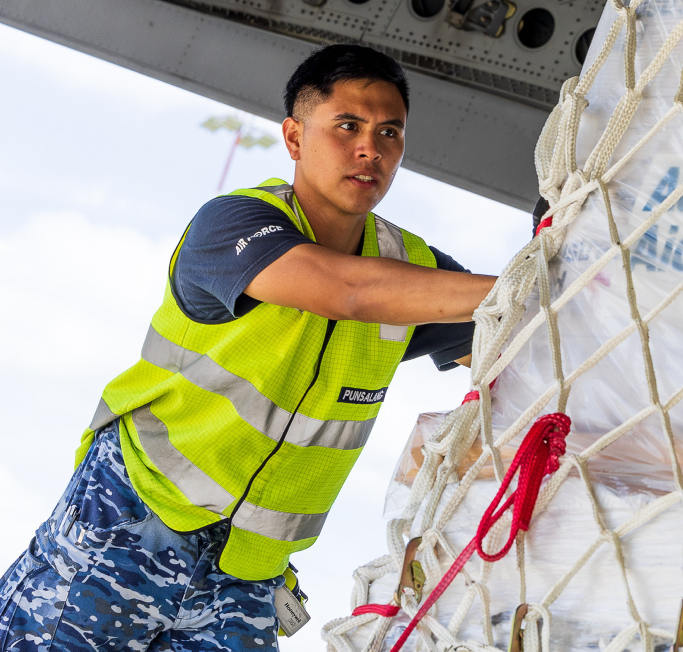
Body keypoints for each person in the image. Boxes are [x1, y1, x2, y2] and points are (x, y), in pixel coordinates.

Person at [0, 44, 498, 651]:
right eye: (348, 126)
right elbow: (344, 291)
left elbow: (514, 345)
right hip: (131, 525)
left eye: (389, 132)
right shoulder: (232, 225)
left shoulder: (412, 271)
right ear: (293, 138)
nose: (371, 148)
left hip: (248, 579)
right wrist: (530, 280)